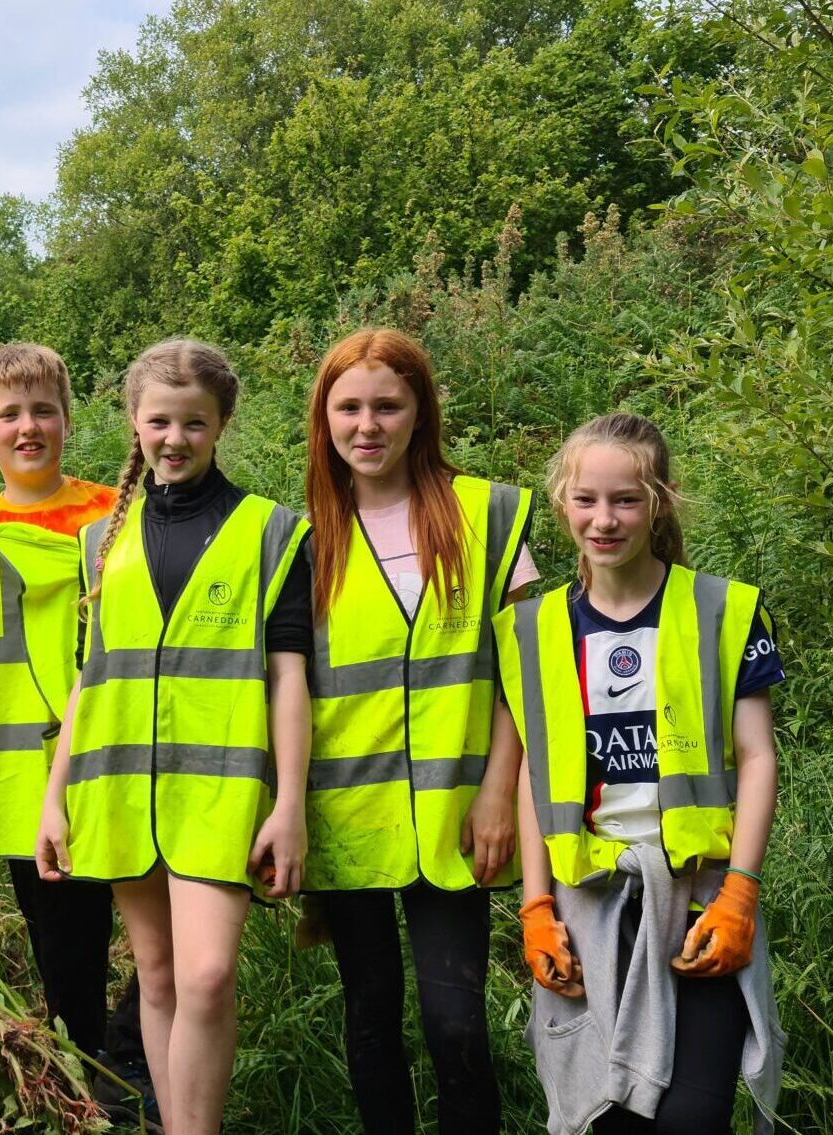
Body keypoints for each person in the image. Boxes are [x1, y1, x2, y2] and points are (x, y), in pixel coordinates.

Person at [36, 338, 313, 1135]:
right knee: (155, 977)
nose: (175, 439)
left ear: (221, 422)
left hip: (220, 793)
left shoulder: (271, 531)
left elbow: (288, 677)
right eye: (160, 421)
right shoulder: (101, 540)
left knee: (207, 973)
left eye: (194, 422)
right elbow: (90, 681)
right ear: (133, 421)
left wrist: (288, 802)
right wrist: (55, 802)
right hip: (117, 787)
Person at [499, 413, 788, 1134]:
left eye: (625, 499)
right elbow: (536, 774)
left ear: (658, 501)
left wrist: (741, 895)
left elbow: (757, 756)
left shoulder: (723, 609)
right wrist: (536, 908)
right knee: (609, 1119)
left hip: (697, 903)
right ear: (562, 502)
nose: (604, 519)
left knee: (692, 1115)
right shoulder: (532, 629)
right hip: (588, 910)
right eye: (586, 499)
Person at [299, 328, 537, 1135]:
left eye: (387, 405)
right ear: (324, 418)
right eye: (350, 407)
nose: (368, 425)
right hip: (348, 826)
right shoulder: (301, 540)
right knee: (370, 1021)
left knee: (457, 1027)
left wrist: (499, 790)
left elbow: (528, 672)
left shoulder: (488, 514)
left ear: (420, 413)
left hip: (456, 822)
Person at [0, 343, 149, 1117]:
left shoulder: (118, 510)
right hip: (29, 779)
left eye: (42, 411)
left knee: (156, 937)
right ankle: (89, 1092)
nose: (27, 428)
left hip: (125, 752)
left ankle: (136, 1058)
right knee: (63, 946)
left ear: (67, 419)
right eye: (9, 415)